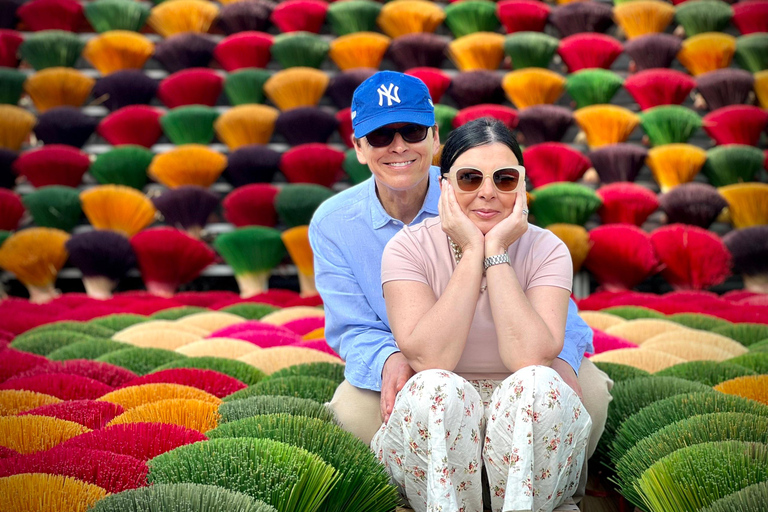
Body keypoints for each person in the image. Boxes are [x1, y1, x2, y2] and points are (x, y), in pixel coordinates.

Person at [308, 70, 612, 502]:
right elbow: (351, 324)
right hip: (417, 358)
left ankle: (542, 491)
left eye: (411, 131)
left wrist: (558, 356)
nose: (398, 146)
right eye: (379, 137)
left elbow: (545, 286)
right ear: (358, 148)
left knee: (590, 394)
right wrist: (388, 358)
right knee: (353, 413)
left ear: (434, 138)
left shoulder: (478, 186)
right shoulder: (335, 223)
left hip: (509, 354)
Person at [372, 116, 591, 511]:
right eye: (470, 179)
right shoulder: (407, 249)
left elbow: (531, 358)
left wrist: (496, 252)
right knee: (436, 388)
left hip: (525, 411)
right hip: (439, 415)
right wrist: (471, 251)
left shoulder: (548, 250)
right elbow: (431, 359)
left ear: (521, 187)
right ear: (445, 187)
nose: (487, 193)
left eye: (504, 180)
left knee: (538, 384)